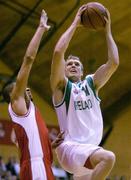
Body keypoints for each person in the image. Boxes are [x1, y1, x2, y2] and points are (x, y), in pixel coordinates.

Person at [50, 5, 119, 180]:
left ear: (82, 71)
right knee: (108, 158)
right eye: (69, 64)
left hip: (89, 152)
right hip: (71, 148)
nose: (73, 65)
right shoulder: (61, 87)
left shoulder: (91, 84)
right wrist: (75, 23)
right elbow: (58, 52)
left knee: (101, 162)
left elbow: (113, 63)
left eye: (77, 64)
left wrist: (107, 31)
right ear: (64, 71)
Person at [2, 10, 64, 180]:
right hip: (36, 167)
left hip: (41, 165)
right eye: (21, 88)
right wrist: (41, 29)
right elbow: (28, 59)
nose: (26, 88)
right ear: (14, 94)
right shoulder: (17, 102)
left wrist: (49, 145)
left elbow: (22, 142)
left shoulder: (24, 114)